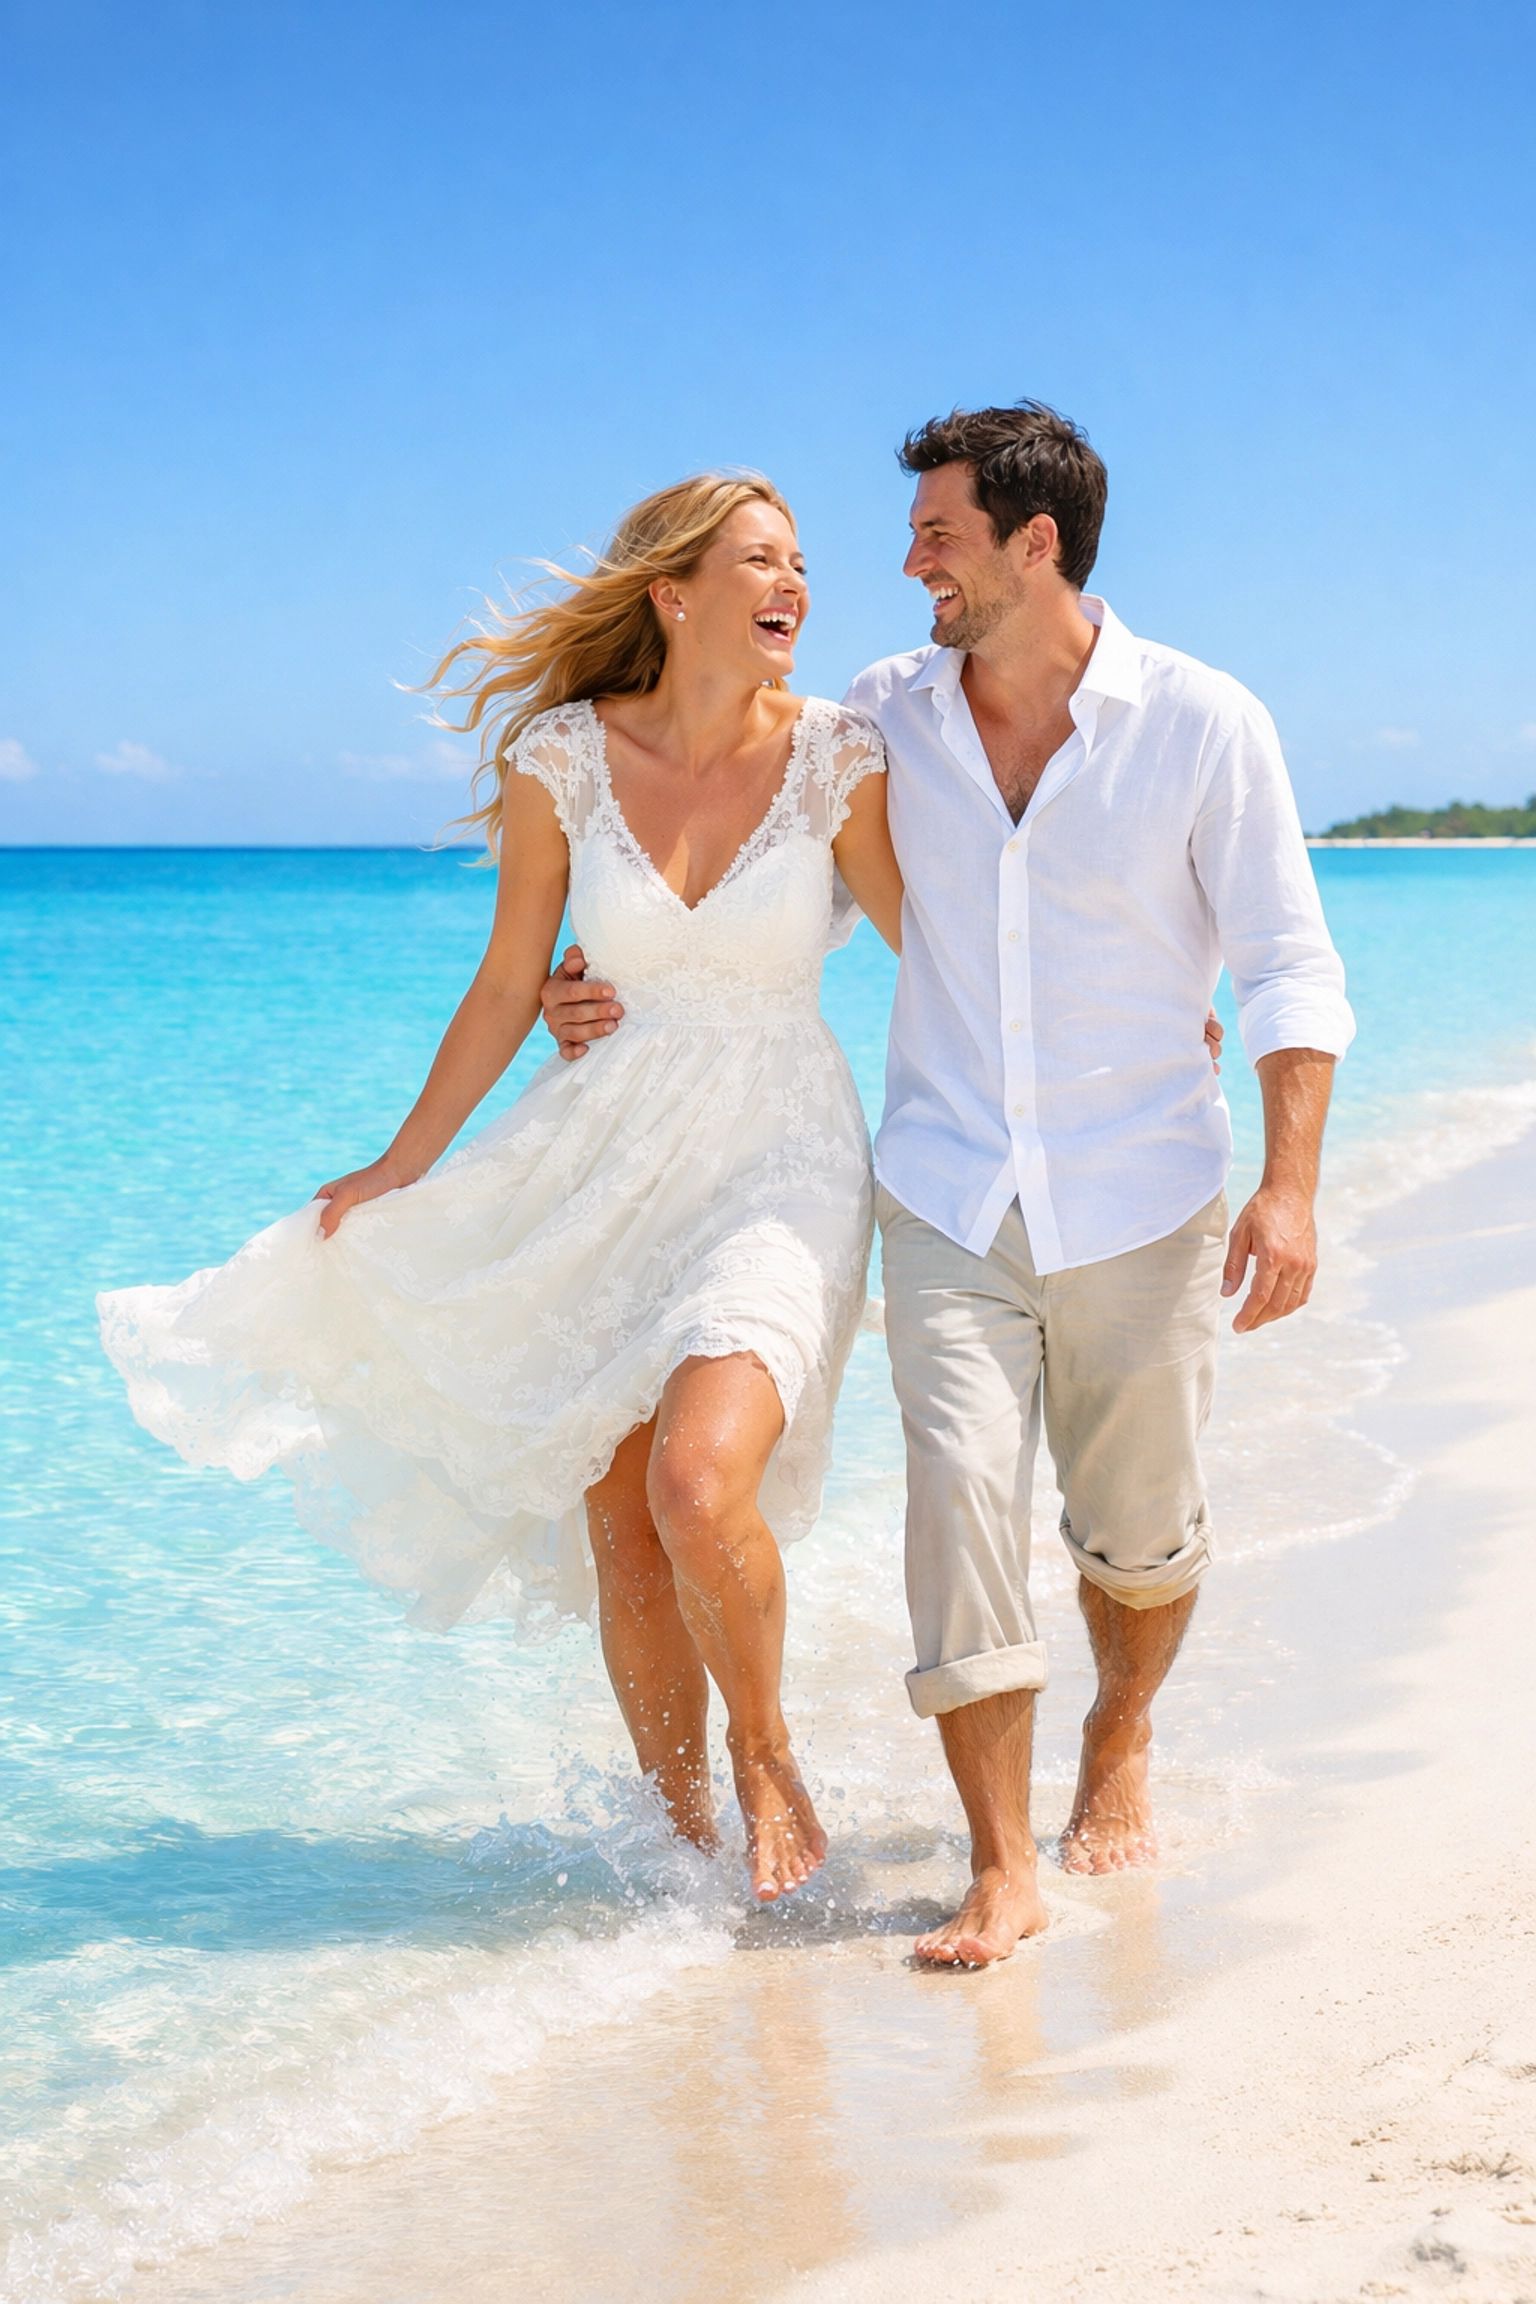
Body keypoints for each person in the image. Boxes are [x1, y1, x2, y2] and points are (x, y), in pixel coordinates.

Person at [541, 402, 1356, 1966]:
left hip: (1145, 1187)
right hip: (947, 1184)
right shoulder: (880, 714)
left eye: (938, 535)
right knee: (960, 1506)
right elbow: (783, 890)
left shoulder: (1203, 722)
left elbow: (1289, 967)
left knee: (1137, 1533)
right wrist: (609, 979)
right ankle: (1000, 1863)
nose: (906, 563)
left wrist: (1290, 1185)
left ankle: (1116, 1744)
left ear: (1032, 545)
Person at [97, 473, 905, 1904]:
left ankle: (768, 1760)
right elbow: (502, 981)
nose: (793, 588)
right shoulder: (562, 760)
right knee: (621, 1527)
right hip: (598, 1149)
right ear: (672, 592)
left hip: (782, 1145)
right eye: (759, 563)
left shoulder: (844, 757)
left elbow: (943, 953)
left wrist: (1121, 1028)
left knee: (695, 1480)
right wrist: (404, 1167)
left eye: (800, 565)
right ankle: (683, 1847)